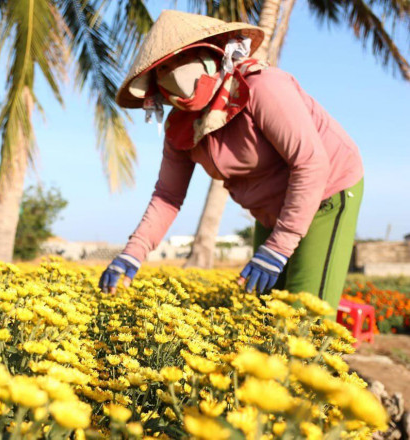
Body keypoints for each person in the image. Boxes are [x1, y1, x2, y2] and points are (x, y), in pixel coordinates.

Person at [98, 10, 364, 313]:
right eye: (162, 69)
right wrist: (132, 253)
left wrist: (279, 246)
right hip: (271, 210)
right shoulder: (180, 128)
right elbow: (167, 196)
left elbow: (311, 163)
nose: (172, 74)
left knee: (307, 315)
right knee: (265, 314)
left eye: (179, 60)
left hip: (327, 191)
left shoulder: (261, 87)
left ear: (210, 54)